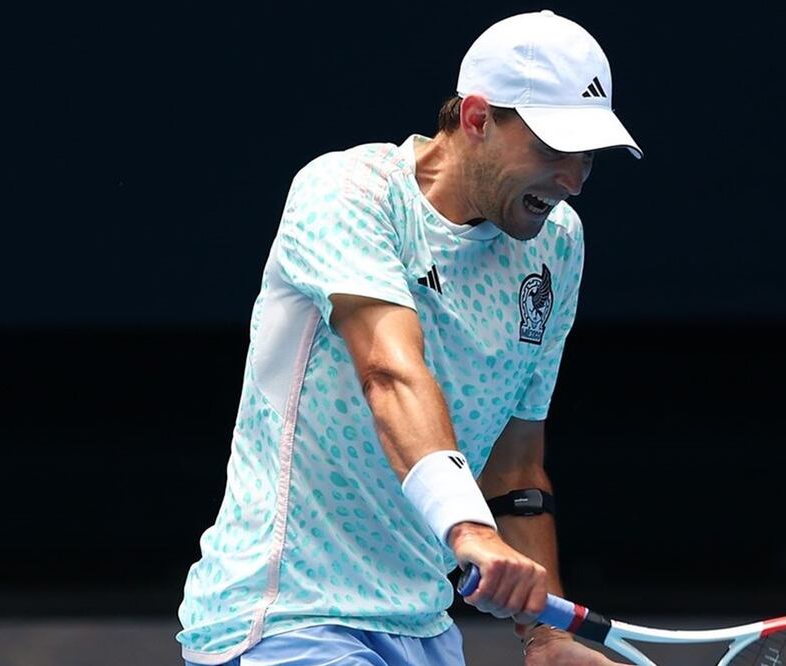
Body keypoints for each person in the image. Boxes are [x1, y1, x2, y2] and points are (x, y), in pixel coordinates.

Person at [178, 9, 642, 665]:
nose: (570, 180)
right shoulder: (348, 192)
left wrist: (547, 635)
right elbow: (388, 373)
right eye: (550, 150)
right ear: (477, 118)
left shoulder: (555, 247)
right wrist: (468, 529)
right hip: (285, 616)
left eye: (586, 156)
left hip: (422, 628)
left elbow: (512, 465)